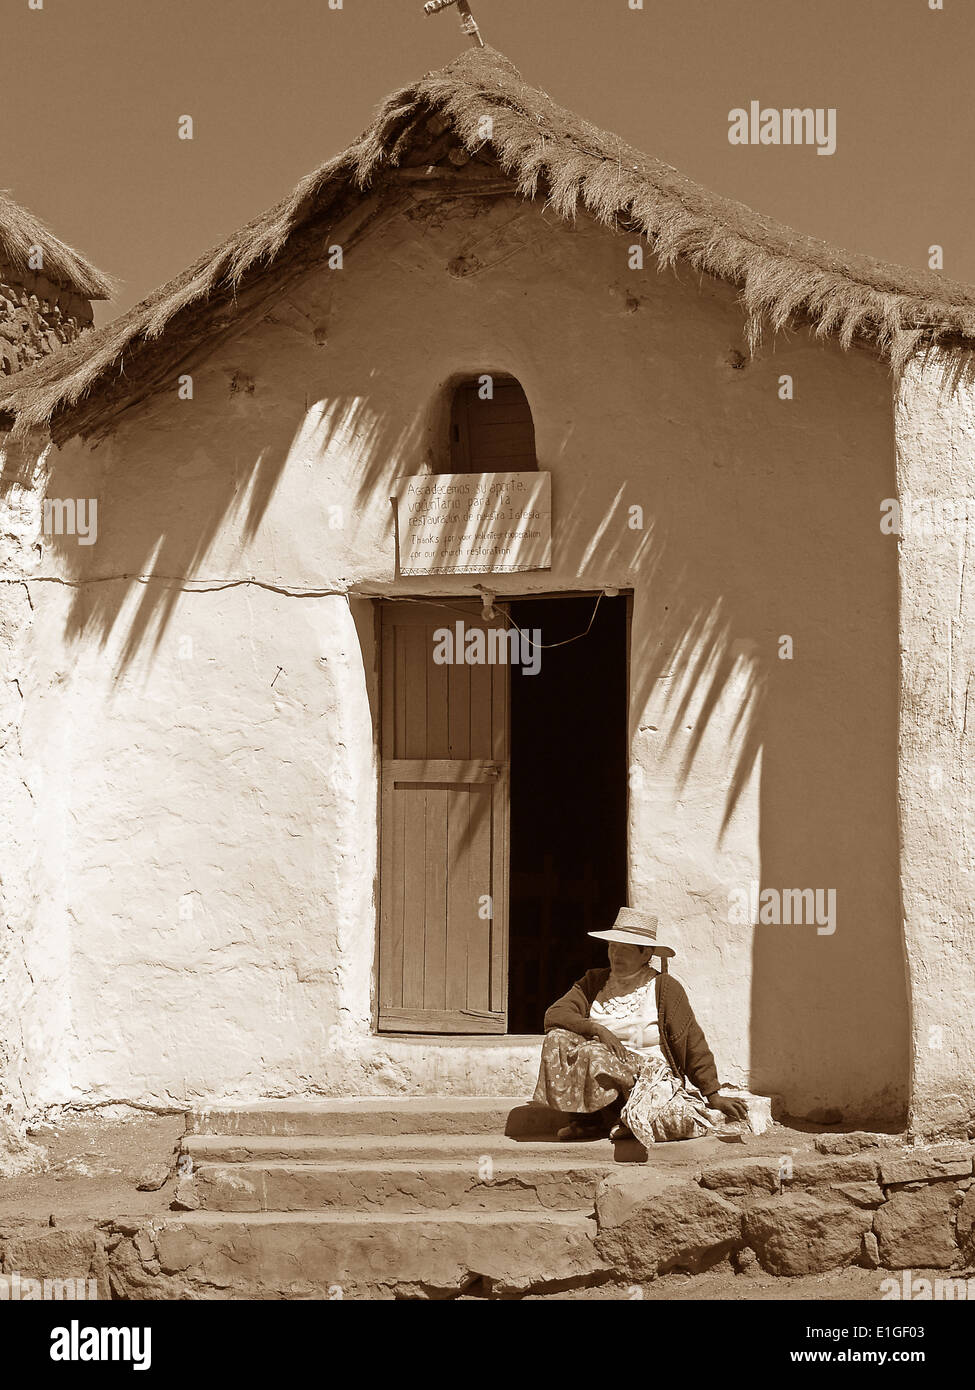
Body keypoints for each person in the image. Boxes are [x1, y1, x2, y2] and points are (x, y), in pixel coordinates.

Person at [532, 907, 749, 1145]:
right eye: (612, 947)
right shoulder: (594, 981)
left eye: (624, 949)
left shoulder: (665, 988)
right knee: (557, 1039)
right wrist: (598, 1030)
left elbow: (692, 1043)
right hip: (603, 1063)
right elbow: (555, 1014)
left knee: (592, 1054)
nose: (616, 955)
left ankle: (623, 1118)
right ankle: (590, 1120)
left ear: (645, 954)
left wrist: (713, 1094)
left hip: (647, 1075)